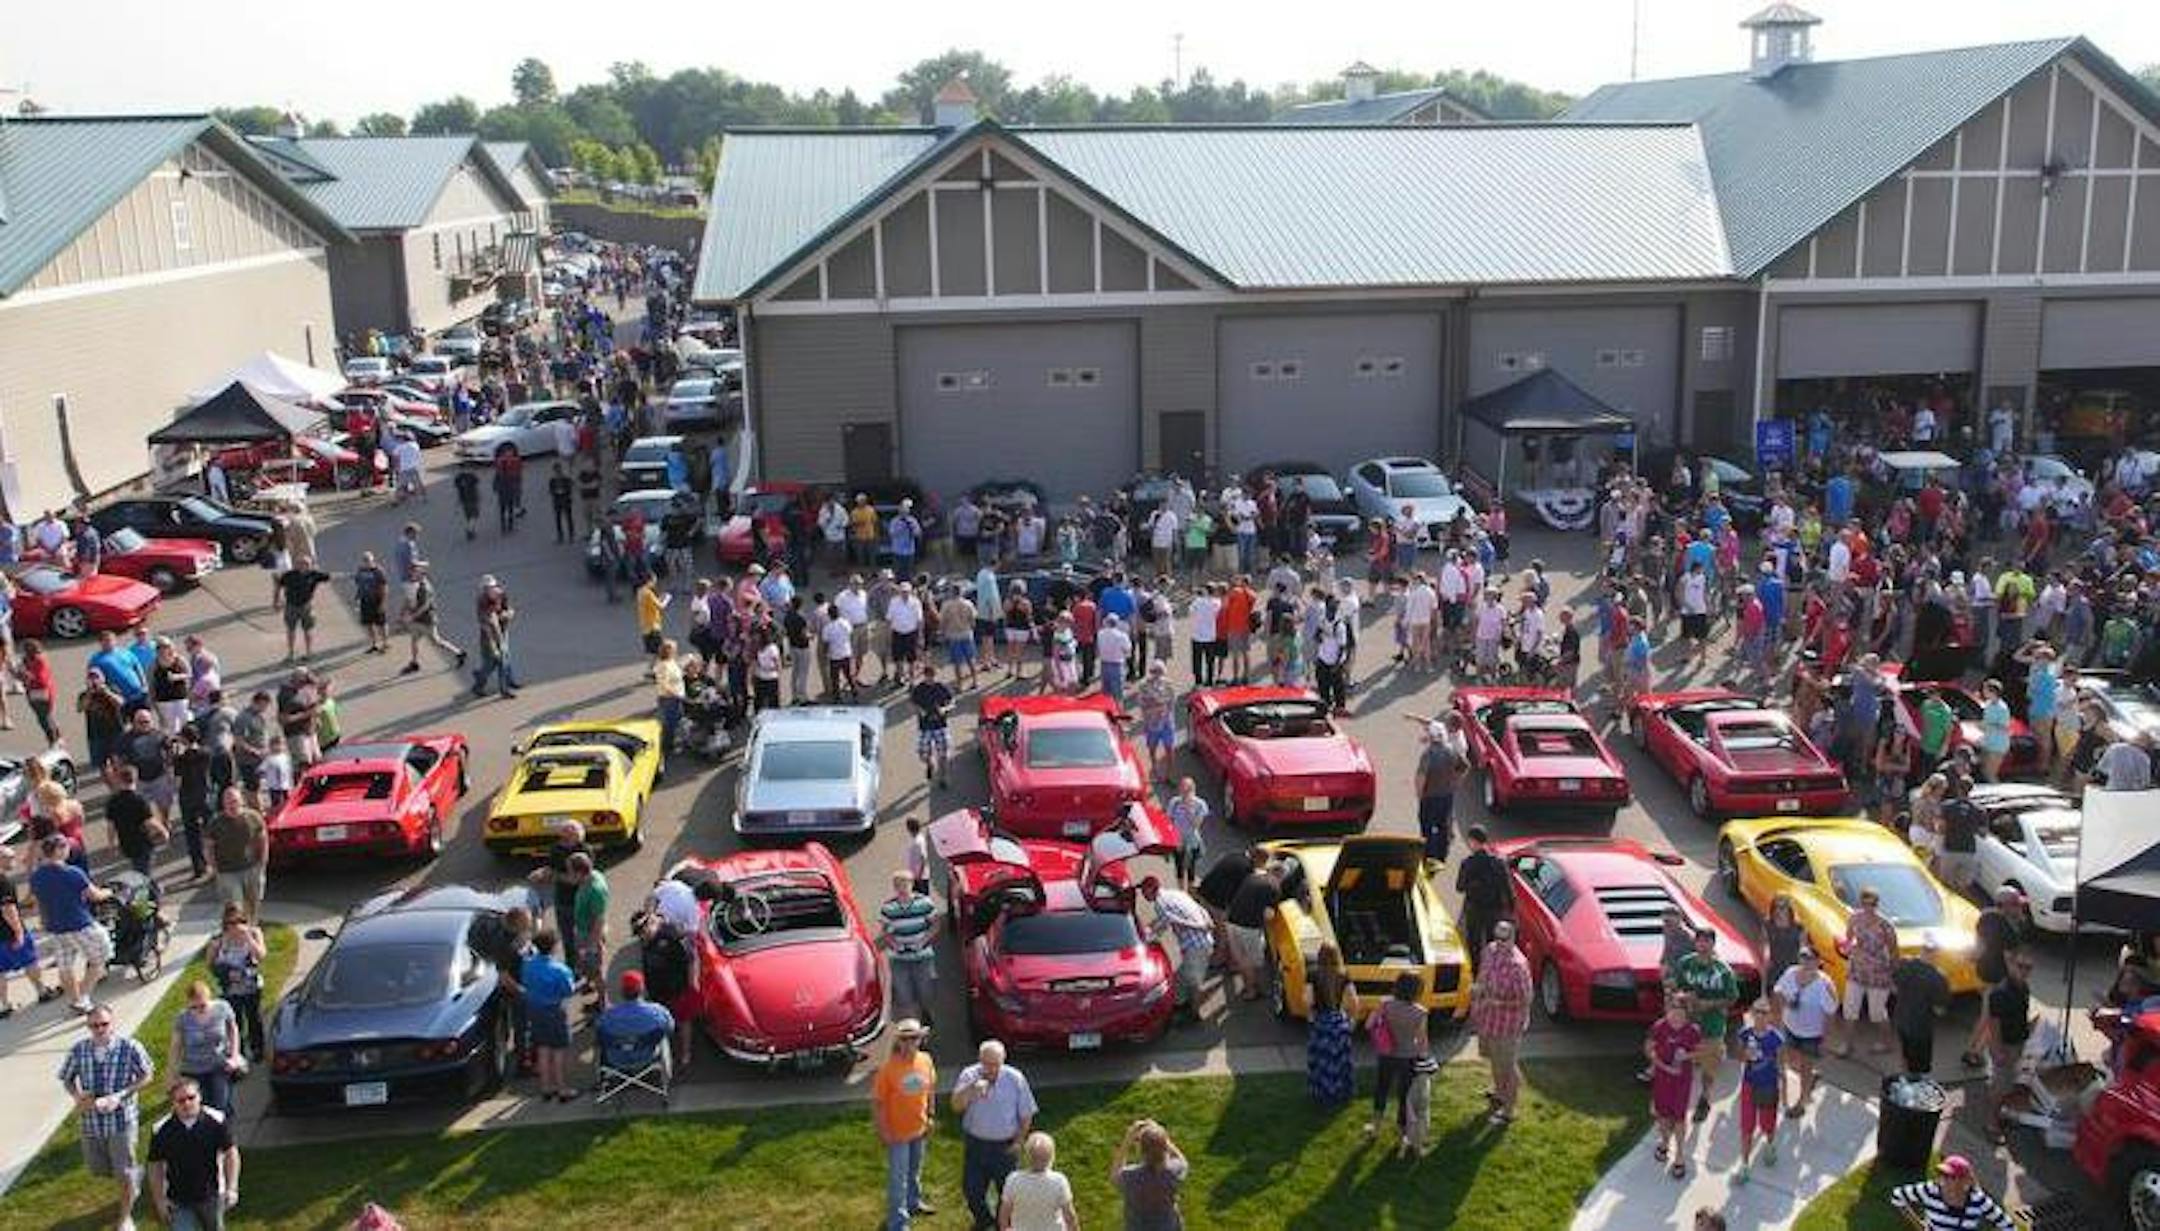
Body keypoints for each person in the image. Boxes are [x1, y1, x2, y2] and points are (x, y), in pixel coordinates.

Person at [58, 1003, 155, 1229]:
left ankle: (125, 1217)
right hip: (91, 1122)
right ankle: (134, 1176)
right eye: (94, 1026)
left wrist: (120, 1096)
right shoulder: (79, 1050)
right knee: (99, 1168)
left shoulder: (130, 1047)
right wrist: (78, 1095)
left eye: (104, 1024)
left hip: (122, 1120)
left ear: (112, 1023)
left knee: (122, 1172)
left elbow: (147, 1074)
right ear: (88, 1026)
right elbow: (66, 1078)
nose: (100, 1029)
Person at [952, 1039, 1038, 1231]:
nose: (990, 1069)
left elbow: (1026, 1113)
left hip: (1005, 1146)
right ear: (979, 1060)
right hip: (976, 1145)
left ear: (1003, 1061)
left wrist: (1019, 1141)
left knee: (1007, 1193)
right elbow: (955, 1106)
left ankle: (1002, 1224)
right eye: (986, 1064)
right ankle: (984, 1220)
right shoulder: (969, 1075)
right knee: (972, 1190)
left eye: (995, 1065)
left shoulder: (1015, 1078)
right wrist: (970, 1090)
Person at [29, 833, 113, 1012]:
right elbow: (95, 896)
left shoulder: (36, 876)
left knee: (65, 965)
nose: (69, 849)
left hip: (56, 928)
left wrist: (43, 921)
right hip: (79, 924)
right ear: (59, 850)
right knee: (101, 957)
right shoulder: (73, 872)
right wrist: (109, 891)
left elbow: (37, 904)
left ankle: (75, 1000)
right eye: (66, 846)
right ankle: (83, 997)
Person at [147, 1075, 240, 1231]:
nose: (187, 1103)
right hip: (178, 1198)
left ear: (200, 1097)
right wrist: (160, 1200)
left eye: (191, 1098)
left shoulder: (216, 1121)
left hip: (211, 1195)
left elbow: (231, 1154)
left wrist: (232, 1188)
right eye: (181, 1100)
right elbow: (155, 1165)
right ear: (173, 1103)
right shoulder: (161, 1129)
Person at [874, 1019, 939, 1230]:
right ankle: (897, 1222)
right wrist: (884, 1131)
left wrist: (930, 1115)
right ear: (899, 1042)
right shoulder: (887, 1069)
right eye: (906, 1039)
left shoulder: (926, 1060)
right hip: (897, 1134)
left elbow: (930, 1089)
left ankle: (913, 1202)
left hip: (919, 1129)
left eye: (914, 1038)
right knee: (898, 1179)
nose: (910, 1043)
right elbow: (879, 1103)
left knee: (914, 1171)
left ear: (921, 1039)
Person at [1671, 926, 1737, 1123]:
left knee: (1709, 1068)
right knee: (1682, 1061)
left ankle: (1705, 1098)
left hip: (1712, 1026)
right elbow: (1676, 987)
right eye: (1700, 940)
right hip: (1687, 1024)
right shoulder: (1685, 963)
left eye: (1707, 941)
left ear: (1713, 944)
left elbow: (1732, 997)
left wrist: (1710, 1004)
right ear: (1695, 942)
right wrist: (1682, 997)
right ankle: (1678, 1097)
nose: (1703, 944)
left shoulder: (1722, 970)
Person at [1471, 920, 1532, 1128]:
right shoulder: (1489, 950)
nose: (1498, 942)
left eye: (1503, 939)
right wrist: (1478, 988)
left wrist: (1498, 1002)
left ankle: (1508, 1111)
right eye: (1496, 936)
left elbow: (1525, 1000)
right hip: (1488, 1018)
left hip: (1508, 1025)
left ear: (1513, 938)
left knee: (1508, 1066)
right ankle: (1499, 1093)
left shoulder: (1518, 966)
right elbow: (1482, 974)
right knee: (1494, 1060)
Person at [1963, 887, 2032, 1068]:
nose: (2020, 909)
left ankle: (1974, 1051)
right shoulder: (2009, 930)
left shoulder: (1985, 917)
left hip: (1984, 973)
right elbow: (2009, 960)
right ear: (2006, 906)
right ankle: (1972, 1052)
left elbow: (1979, 947)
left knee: (1988, 1015)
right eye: (2016, 905)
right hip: (1998, 979)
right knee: (1989, 1017)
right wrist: (2017, 982)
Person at [1975, 947, 2035, 1144]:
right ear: (2011, 964)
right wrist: (1997, 1049)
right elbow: (1994, 1024)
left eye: (2028, 967)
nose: (2024, 971)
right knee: (2001, 1086)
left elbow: (2021, 1015)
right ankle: (1991, 1123)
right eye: (2020, 966)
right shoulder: (2000, 993)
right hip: (2005, 1046)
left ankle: (1999, 1114)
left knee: (2006, 1083)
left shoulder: (2023, 988)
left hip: (2017, 1043)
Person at [1139, 877, 1213, 1026]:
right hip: (1200, 942)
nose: (1142, 894)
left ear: (1151, 890)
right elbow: (1196, 906)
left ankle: (1195, 1015)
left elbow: (1164, 924)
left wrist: (1144, 939)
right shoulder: (1176, 893)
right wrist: (1207, 920)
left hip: (1196, 946)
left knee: (1194, 982)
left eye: (1143, 891)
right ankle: (1182, 1004)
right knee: (1180, 978)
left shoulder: (1160, 904)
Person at [1772, 948, 1838, 1116]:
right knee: (1791, 1061)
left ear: (1818, 962)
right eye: (1803, 958)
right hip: (1790, 1027)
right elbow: (1778, 990)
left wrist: (1825, 1039)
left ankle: (1802, 1101)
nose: (1807, 962)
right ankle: (1809, 1079)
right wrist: (1785, 1002)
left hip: (1812, 1035)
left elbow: (1830, 1013)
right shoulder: (1791, 972)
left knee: (1806, 1067)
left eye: (1811, 959)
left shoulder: (1825, 985)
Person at [168, 978, 244, 1118]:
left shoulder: (222, 1008)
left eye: (202, 1006)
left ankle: (225, 1134)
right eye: (193, 1007)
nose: (198, 1010)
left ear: (209, 998)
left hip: (218, 1066)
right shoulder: (182, 1019)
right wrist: (172, 1075)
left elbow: (233, 1029)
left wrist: (234, 1056)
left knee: (220, 1105)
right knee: (200, 1109)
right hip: (193, 1070)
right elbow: (175, 1047)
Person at [1836, 887, 1899, 1057]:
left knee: (1876, 1012)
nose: (1868, 907)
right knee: (1849, 1009)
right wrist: (1847, 947)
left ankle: (1886, 1042)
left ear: (1877, 904)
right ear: (1861, 903)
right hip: (1857, 970)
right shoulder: (1854, 918)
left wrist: (1894, 976)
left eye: (1872, 904)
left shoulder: (1885, 925)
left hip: (1878, 973)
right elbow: (1848, 939)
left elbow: (1893, 951)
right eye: (1865, 903)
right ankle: (1847, 1044)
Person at [1648, 993, 1701, 1180]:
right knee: (1662, 1114)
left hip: (1682, 1082)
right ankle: (1664, 1143)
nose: (1676, 1015)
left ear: (1687, 1013)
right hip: (1663, 1079)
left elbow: (1699, 1052)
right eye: (1672, 1010)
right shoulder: (1659, 1027)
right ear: (1667, 1009)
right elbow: (1650, 1050)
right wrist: (1663, 1067)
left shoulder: (1692, 1030)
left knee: (1679, 1117)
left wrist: (1685, 1056)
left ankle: (1679, 1155)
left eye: (1680, 1011)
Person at [1731, 999, 1784, 1186]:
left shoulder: (1776, 1038)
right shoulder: (1745, 1034)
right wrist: (1745, 1054)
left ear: (1770, 1015)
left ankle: (1769, 1145)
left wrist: (1783, 1090)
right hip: (1749, 1085)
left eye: (1764, 1012)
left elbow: (1780, 1064)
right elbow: (1738, 1055)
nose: (1760, 1016)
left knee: (1768, 1123)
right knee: (1747, 1126)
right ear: (1752, 1014)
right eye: (1757, 1012)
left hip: (1768, 1085)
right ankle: (1744, 1164)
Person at [520, 928, 577, 1102]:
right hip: (555, 1011)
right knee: (558, 1050)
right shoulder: (560, 970)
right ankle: (562, 1088)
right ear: (554, 947)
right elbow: (568, 991)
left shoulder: (527, 965)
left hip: (535, 1010)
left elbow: (525, 983)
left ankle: (546, 1087)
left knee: (543, 1048)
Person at [1888, 1155, 2017, 1230]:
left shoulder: (1978, 1200)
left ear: (1964, 1181)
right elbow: (1897, 1196)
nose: (1943, 1179)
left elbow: (2009, 1226)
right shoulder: (1930, 1190)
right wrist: (1918, 1224)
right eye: (1942, 1174)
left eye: (1951, 1176)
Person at [880, 869, 939, 1028]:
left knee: (925, 992)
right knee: (904, 995)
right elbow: (885, 932)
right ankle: (915, 1027)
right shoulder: (888, 908)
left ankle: (925, 1012)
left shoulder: (925, 903)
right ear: (894, 886)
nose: (902, 888)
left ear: (912, 884)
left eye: (905, 884)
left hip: (922, 956)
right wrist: (893, 944)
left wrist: (923, 941)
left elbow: (935, 925)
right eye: (898, 884)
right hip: (899, 958)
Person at [208, 904, 266, 1062]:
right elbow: (210, 964)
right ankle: (238, 1054)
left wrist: (248, 937)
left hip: (251, 987)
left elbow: (261, 956)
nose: (235, 926)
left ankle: (257, 1049)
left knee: (254, 1019)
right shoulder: (218, 939)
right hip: (229, 990)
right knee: (234, 1022)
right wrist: (225, 971)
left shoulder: (254, 933)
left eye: (240, 921)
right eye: (231, 923)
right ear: (225, 923)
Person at [1222, 857, 1283, 1002]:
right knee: (1254, 961)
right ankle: (1253, 990)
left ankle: (1249, 986)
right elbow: (1268, 916)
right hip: (1248, 928)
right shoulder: (1274, 888)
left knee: (1241, 958)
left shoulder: (1252, 877)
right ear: (1279, 875)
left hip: (1231, 922)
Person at [1892, 938, 1954, 1076]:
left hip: (1902, 1020)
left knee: (1906, 1054)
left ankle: (1905, 1079)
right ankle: (1917, 1086)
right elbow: (1940, 1010)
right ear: (1937, 954)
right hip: (1921, 1027)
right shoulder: (1938, 978)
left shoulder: (1904, 964)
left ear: (1922, 950)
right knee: (1921, 1065)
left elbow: (1894, 988)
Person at [1111, 1120, 1187, 1231]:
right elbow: (1182, 1160)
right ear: (1165, 1149)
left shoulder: (1132, 1176)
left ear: (1140, 1150)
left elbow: (1115, 1175)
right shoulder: (1173, 1171)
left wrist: (1127, 1140)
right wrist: (1165, 1139)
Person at [207, 787, 266, 922]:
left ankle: (252, 926)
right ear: (223, 804)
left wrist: (262, 861)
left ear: (241, 802)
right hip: (227, 871)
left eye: (234, 801)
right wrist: (213, 867)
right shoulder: (215, 823)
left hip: (251, 867)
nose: (232, 806)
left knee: (253, 901)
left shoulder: (253, 817)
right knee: (234, 906)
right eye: (228, 803)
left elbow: (262, 838)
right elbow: (208, 846)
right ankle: (235, 932)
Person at [999, 1131, 1078, 1231]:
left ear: (1027, 1157)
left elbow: (1004, 1213)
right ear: (1051, 1157)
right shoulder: (1059, 1181)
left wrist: (1004, 1228)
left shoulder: (1014, 1180)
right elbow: (1070, 1215)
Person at [1454, 825, 1510, 965]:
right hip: (1495, 909)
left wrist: (1472, 886)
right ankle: (1492, 968)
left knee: (1474, 942)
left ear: (1473, 841)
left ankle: (1475, 969)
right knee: (1493, 941)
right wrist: (1509, 910)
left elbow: (1459, 887)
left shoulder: (1468, 863)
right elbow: (1507, 888)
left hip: (1475, 909)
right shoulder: (1499, 863)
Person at [1413, 716, 1466, 864]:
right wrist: (1455, 783)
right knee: (1443, 826)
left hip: (1430, 797)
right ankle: (1442, 855)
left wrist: (1420, 795)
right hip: (1447, 796)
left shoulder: (1428, 755)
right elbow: (1464, 767)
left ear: (1432, 737)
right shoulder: (1451, 751)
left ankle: (1428, 855)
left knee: (1427, 827)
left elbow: (1421, 777)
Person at [398, 564, 464, 675]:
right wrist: (404, 612)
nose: (412, 575)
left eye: (415, 573)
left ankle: (459, 653)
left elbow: (425, 606)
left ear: (421, 575)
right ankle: (414, 663)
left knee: (436, 641)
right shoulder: (417, 585)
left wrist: (411, 617)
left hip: (427, 620)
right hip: (417, 620)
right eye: (413, 573)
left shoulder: (425, 588)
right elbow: (410, 599)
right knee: (414, 641)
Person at [568, 854, 610, 1004]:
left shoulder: (595, 890)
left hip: (590, 936)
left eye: (570, 871)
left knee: (596, 969)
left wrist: (592, 945)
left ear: (579, 873)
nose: (569, 875)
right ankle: (590, 983)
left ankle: (602, 1003)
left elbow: (599, 920)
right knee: (587, 965)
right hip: (583, 931)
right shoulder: (593, 875)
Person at [277, 554, 333, 661]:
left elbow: (330, 577)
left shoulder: (315, 575)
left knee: (308, 630)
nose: (303, 566)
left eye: (306, 564)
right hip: (291, 606)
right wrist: (277, 601)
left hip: (306, 606)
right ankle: (290, 654)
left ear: (311, 565)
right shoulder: (289, 575)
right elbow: (279, 585)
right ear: (296, 565)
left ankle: (309, 653)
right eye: (300, 563)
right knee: (290, 630)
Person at [910, 663, 954, 788]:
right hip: (925, 727)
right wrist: (920, 710)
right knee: (924, 754)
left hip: (940, 726)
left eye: (933, 676)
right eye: (928, 676)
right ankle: (930, 764)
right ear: (924, 676)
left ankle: (943, 777)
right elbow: (913, 703)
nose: (931, 678)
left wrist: (945, 709)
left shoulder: (941, 687)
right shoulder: (919, 689)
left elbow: (952, 702)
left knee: (943, 753)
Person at [1133, 661, 1177, 781]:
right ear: (1151, 672)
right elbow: (1141, 703)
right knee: (1152, 748)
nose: (1157, 674)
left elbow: (1172, 703)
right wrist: (1156, 706)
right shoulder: (1143, 685)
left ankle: (1169, 774)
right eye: (1155, 671)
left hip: (1166, 722)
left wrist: (1159, 707)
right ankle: (1156, 772)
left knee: (1170, 748)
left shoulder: (1169, 684)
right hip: (1151, 723)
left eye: (1160, 671)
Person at [1163, 778, 1208, 889]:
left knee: (1191, 868)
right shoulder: (1174, 802)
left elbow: (1196, 824)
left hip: (1192, 841)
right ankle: (1181, 891)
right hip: (1178, 840)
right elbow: (1169, 822)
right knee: (1179, 867)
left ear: (1193, 790)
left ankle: (1190, 892)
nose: (1184, 793)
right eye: (1182, 790)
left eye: (1187, 790)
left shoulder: (1200, 804)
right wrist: (1169, 841)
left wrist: (1188, 809)